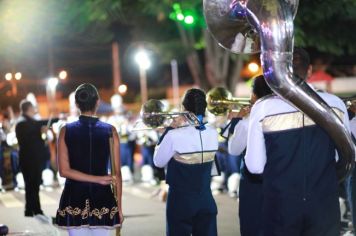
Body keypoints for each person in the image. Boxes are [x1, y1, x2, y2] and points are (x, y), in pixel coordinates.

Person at [244, 47, 350, 235]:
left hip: (280, 205)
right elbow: (344, 155)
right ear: (309, 71)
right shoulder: (336, 104)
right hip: (324, 204)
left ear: (280, 72)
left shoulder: (262, 108)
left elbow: (255, 167)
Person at [55, 83, 123, 236]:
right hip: (103, 197)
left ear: (76, 104)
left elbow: (64, 171)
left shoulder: (65, 130)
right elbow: (117, 173)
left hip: (74, 197)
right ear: (98, 102)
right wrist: (119, 207)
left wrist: (96, 179)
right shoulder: (110, 130)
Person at [154, 88, 219, 236]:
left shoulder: (174, 135)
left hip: (180, 202)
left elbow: (158, 161)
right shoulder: (212, 133)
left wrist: (169, 129)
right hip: (206, 200)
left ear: (184, 108)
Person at [227, 74, 273, 236]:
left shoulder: (247, 122)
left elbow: (233, 149)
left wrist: (236, 121)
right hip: (280, 178)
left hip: (253, 183)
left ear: (254, 95)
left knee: (252, 225)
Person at [15, 100, 56, 217]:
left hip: (33, 159)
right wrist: (40, 131)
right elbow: (28, 141)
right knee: (31, 184)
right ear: (28, 108)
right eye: (33, 108)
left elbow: (39, 139)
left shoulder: (30, 123)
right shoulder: (23, 123)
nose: (35, 110)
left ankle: (32, 209)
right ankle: (33, 209)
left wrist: (42, 132)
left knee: (34, 184)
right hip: (29, 159)